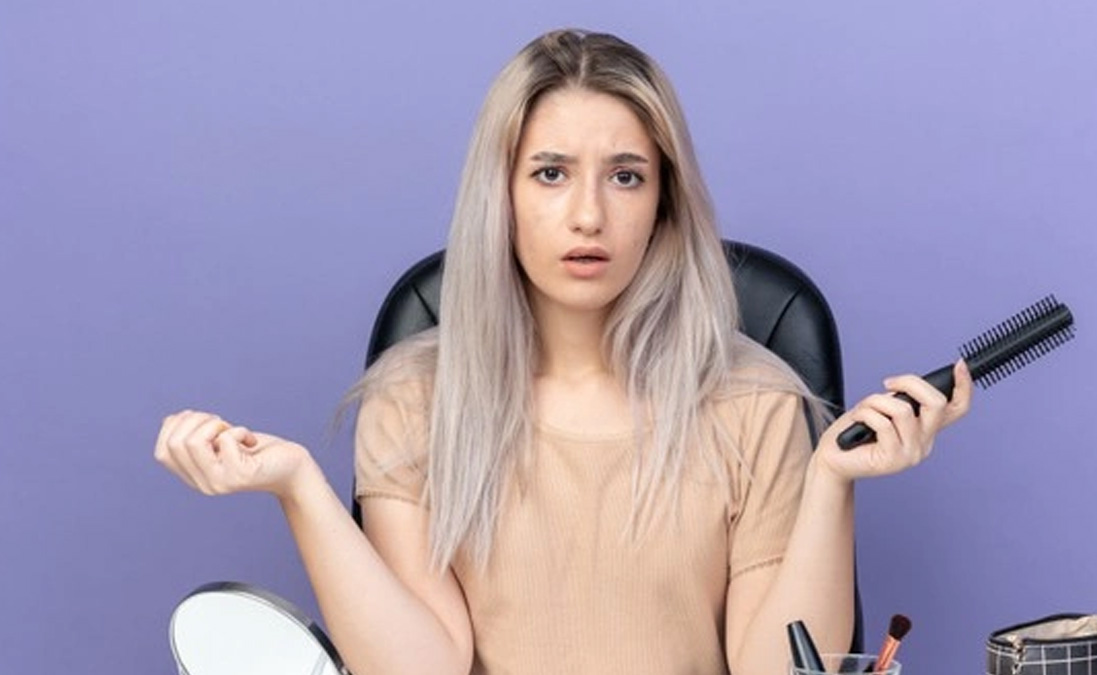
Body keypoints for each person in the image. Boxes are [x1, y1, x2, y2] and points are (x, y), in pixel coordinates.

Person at [155, 28, 972, 675]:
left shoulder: (754, 398)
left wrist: (829, 480)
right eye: (550, 173)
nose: (588, 216)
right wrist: (299, 486)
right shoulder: (413, 396)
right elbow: (422, 666)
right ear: (501, 195)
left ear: (663, 203)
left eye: (625, 177)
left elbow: (778, 672)